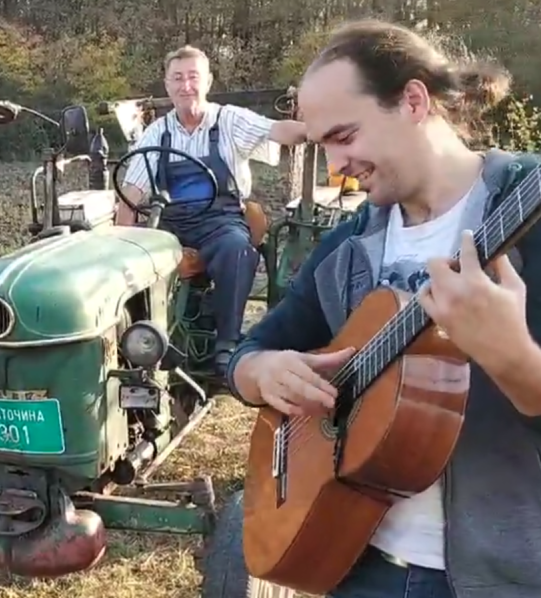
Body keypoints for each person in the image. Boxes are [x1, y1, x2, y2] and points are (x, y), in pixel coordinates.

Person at [228, 19, 541, 598]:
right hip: (357, 560)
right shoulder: (349, 247)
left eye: (344, 136)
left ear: (414, 101)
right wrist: (261, 372)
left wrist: (519, 363)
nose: (335, 165)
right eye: (322, 145)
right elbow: (247, 351)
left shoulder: (526, 209)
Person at [115, 45, 307, 375]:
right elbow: (131, 194)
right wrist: (122, 245)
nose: (186, 85)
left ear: (208, 81)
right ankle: (152, 341)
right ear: (167, 85)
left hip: (222, 221)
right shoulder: (156, 133)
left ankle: (227, 344)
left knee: (237, 250)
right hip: (172, 224)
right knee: (142, 260)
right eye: (178, 78)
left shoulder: (229, 120)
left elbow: (275, 130)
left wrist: (314, 131)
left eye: (193, 77)